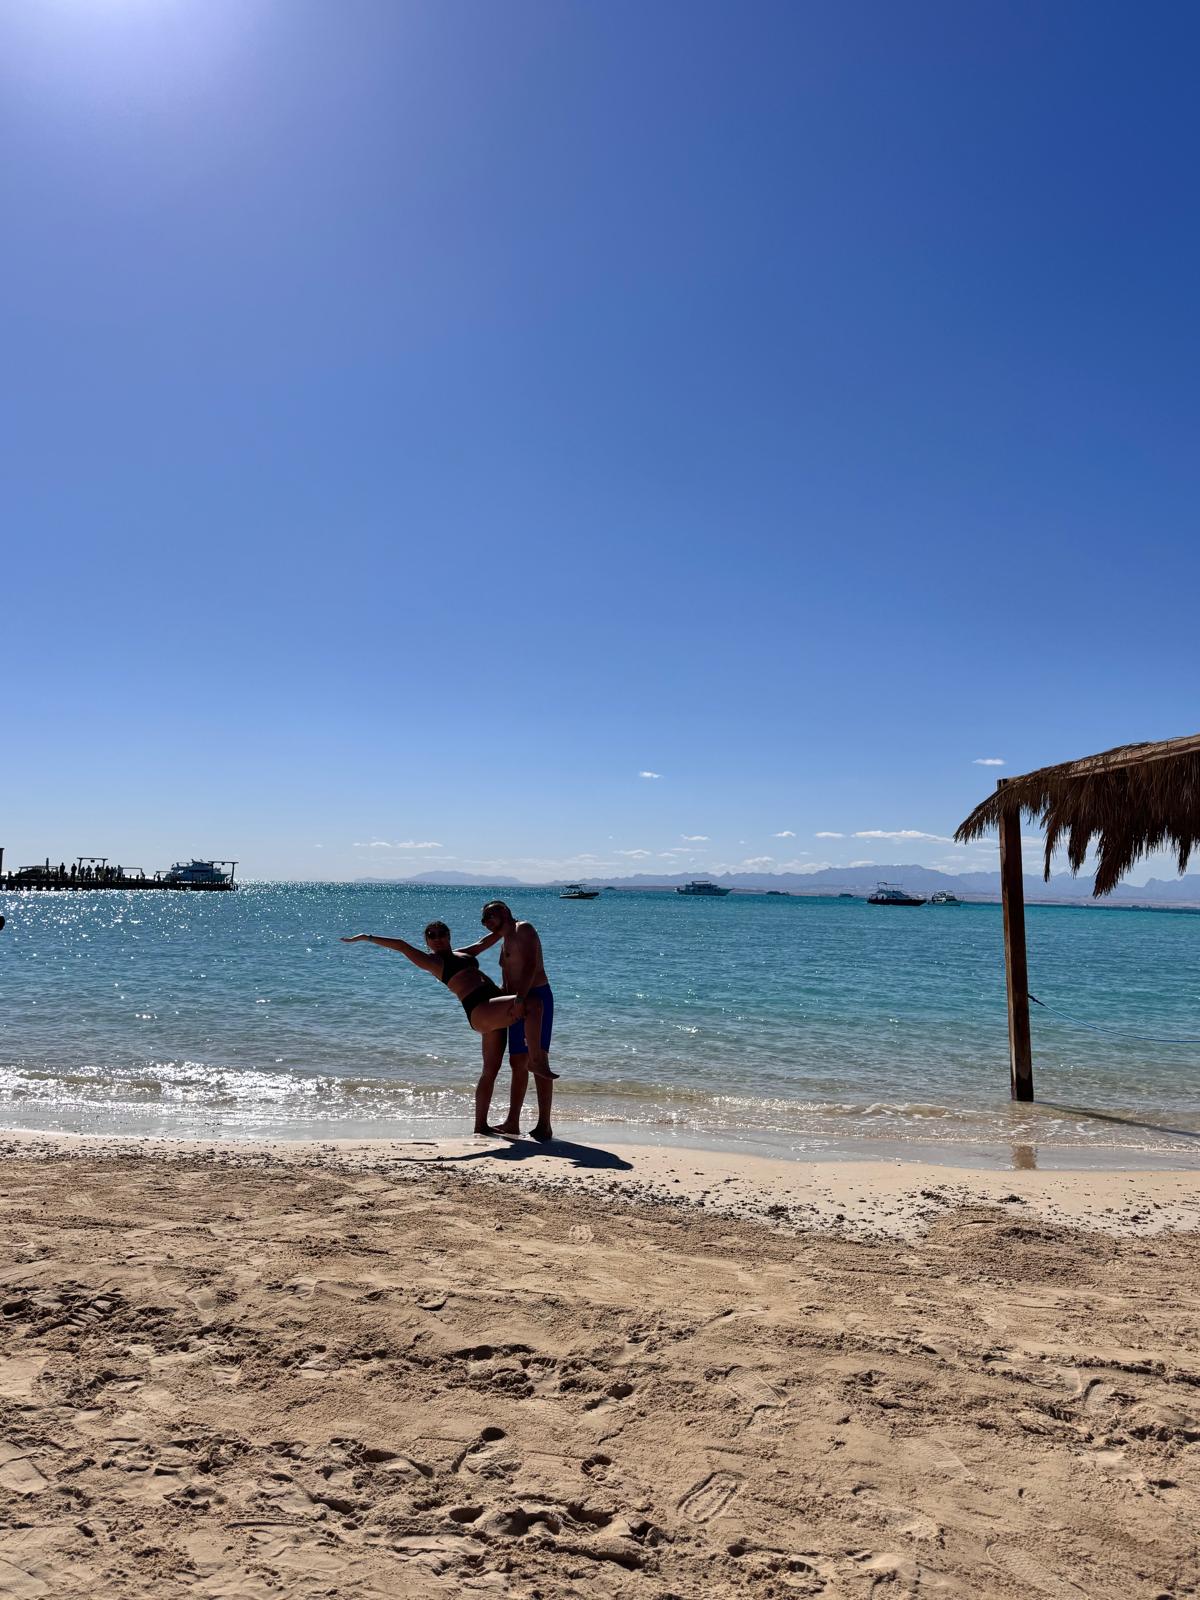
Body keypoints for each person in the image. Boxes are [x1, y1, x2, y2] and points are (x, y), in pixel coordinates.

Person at [340, 921, 557, 1136]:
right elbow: (401, 945)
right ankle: (536, 1059)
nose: (437, 938)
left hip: (493, 1010)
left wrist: (508, 924)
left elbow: (484, 941)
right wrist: (366, 937)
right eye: (431, 935)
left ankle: (481, 1126)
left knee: (490, 1071)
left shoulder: (462, 954)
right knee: (532, 1003)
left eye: (441, 933)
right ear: (427, 942)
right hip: (481, 1010)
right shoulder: (432, 961)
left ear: (449, 936)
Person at [479, 901, 556, 1143]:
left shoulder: (524, 929)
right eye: (483, 920)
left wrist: (521, 998)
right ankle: (513, 1121)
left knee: (538, 1059)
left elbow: (531, 965)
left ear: (504, 912)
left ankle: (544, 1125)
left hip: (535, 999)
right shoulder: (504, 940)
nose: (486, 922)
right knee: (517, 1062)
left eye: (489, 916)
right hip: (516, 1002)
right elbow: (507, 976)